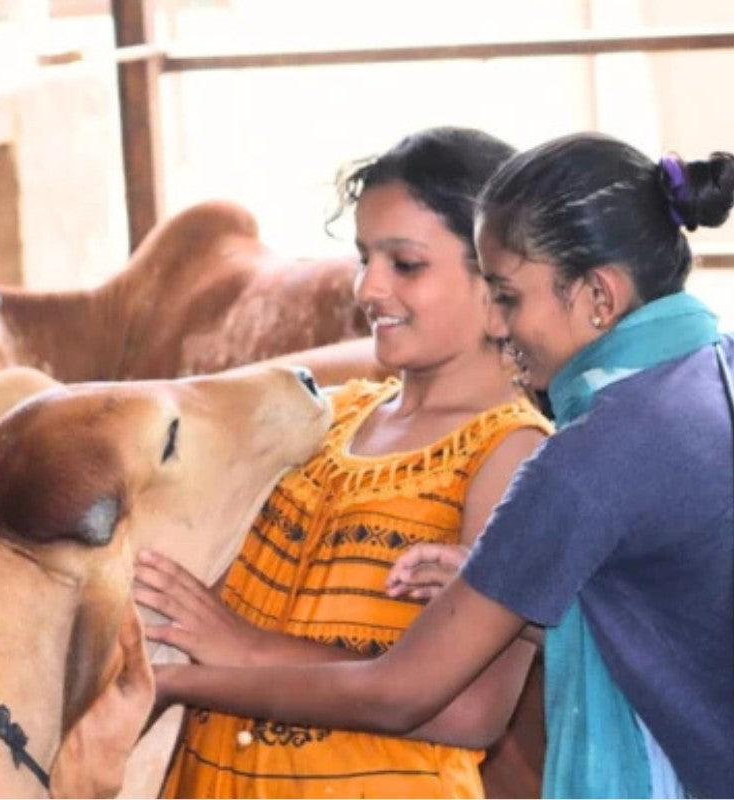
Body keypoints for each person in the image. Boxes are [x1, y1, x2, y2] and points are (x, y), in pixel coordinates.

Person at [137, 132, 734, 799]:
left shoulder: (578, 456)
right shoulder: (708, 374)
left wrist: (175, 679)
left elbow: (407, 695)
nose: (500, 325)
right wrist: (526, 603)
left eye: (506, 297)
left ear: (599, 295)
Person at [135, 126, 552, 798]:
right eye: (364, 258)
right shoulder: (325, 419)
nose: (369, 288)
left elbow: (470, 712)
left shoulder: (510, 455)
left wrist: (241, 653)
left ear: (500, 287)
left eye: (405, 265)